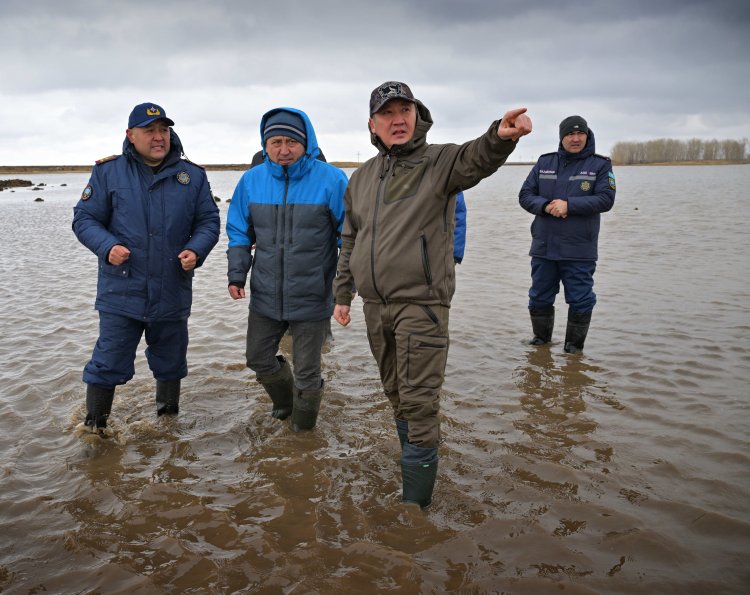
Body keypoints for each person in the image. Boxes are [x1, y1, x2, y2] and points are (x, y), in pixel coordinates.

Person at [332, 81, 532, 508]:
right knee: (396, 395)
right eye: (387, 113)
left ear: (417, 116)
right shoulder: (363, 177)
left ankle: (414, 513)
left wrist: (501, 135)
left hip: (422, 305)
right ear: (373, 124)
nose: (397, 119)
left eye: (405, 110)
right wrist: (343, 294)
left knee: (419, 403)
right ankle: (413, 469)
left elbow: (475, 158)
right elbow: (350, 238)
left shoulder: (439, 161)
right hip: (375, 306)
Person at [72, 102, 220, 432]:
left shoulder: (192, 176)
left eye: (163, 130)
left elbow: (209, 220)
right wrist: (107, 246)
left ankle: (167, 429)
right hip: (121, 291)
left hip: (172, 290)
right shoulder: (108, 172)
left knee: (171, 364)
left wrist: (196, 250)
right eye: (149, 130)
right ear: (130, 135)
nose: (158, 137)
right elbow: (84, 220)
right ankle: (95, 430)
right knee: (106, 363)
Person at [226, 107, 347, 431]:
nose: (283, 149)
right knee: (257, 358)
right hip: (264, 295)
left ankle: (303, 435)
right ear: (265, 144)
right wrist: (237, 274)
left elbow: (349, 237)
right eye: (275, 141)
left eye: (291, 141)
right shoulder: (251, 180)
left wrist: (344, 288)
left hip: (312, 297)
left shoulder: (333, 180)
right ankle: (284, 402)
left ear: (306, 141)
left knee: (308, 372)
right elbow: (239, 231)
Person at [519, 115, 616, 353]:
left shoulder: (600, 165)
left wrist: (569, 205)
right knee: (539, 296)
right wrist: (545, 206)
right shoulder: (544, 163)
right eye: (569, 134)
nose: (575, 139)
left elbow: (606, 199)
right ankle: (541, 344)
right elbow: (525, 195)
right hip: (544, 246)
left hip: (579, 249)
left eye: (579, 134)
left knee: (581, 299)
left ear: (587, 135)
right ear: (561, 138)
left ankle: (574, 350)